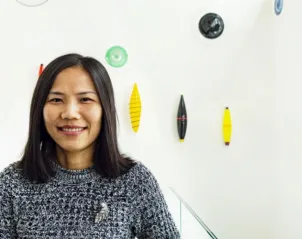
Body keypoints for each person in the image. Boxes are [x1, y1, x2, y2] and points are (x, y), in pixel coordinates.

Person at [0, 53, 180, 238]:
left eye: (85, 99)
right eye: (56, 100)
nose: (70, 113)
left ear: (104, 109)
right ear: (40, 109)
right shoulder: (12, 183)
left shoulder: (135, 181)